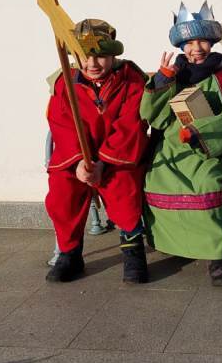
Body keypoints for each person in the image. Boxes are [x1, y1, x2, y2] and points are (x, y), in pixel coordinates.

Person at [141, 2, 222, 286]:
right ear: (181, 45)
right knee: (157, 177)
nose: (197, 48)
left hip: (212, 150)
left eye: (203, 41)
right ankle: (176, 244)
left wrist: (199, 132)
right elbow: (153, 116)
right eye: (190, 43)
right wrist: (162, 80)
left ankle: (217, 258)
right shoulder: (173, 75)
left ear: (212, 42)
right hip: (171, 147)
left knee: (206, 184)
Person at [44, 19, 150, 284]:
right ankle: (70, 254)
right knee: (62, 192)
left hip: (117, 156)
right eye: (84, 56)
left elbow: (130, 125)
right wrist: (80, 162)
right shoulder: (64, 82)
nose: (92, 64)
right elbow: (61, 123)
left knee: (124, 187)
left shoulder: (132, 80)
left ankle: (133, 251)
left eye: (100, 56)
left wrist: (103, 163)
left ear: (113, 55)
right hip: (75, 157)